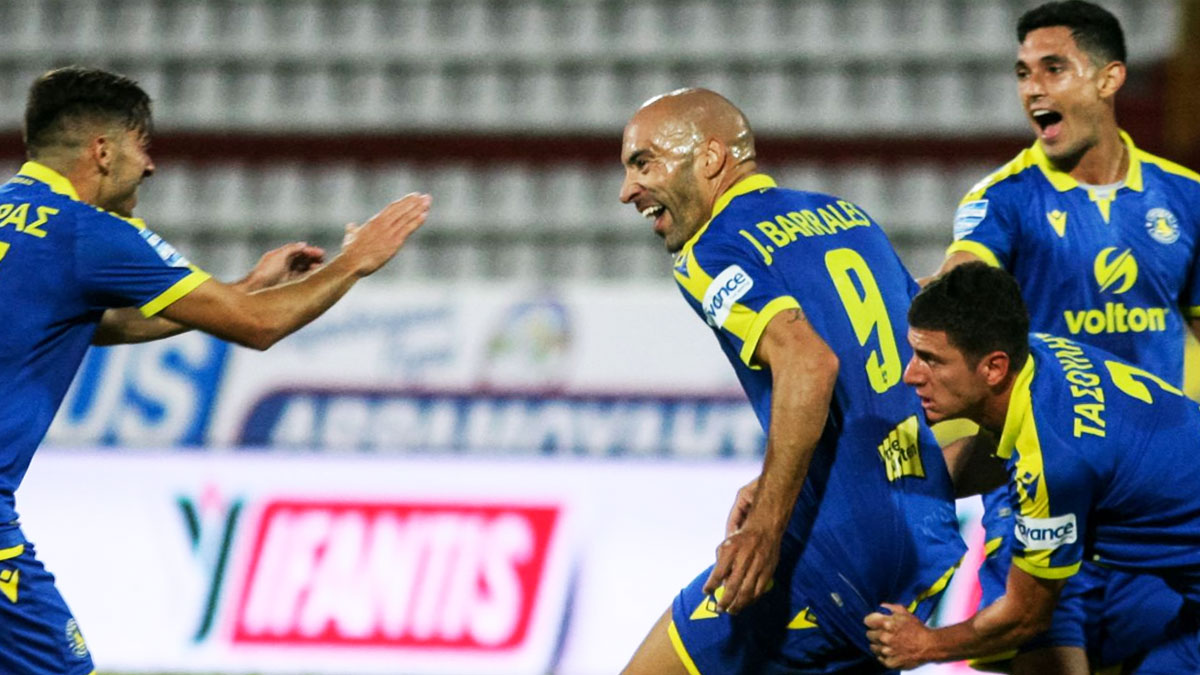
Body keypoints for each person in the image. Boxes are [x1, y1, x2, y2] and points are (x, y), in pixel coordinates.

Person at [0, 66, 430, 674]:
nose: (150, 165)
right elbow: (258, 327)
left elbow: (95, 323)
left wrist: (244, 286)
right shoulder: (87, 233)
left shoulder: (14, 218)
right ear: (102, 151)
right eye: (141, 145)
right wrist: (354, 262)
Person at [616, 87, 965, 674]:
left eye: (643, 163)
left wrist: (766, 529)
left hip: (832, 550)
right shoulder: (848, 217)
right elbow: (914, 351)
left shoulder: (710, 251)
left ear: (710, 157)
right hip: (923, 542)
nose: (627, 190)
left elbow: (810, 363)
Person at [931, 2, 1200, 671]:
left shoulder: (1186, 198)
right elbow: (964, 280)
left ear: (1110, 78)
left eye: (1054, 68)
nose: (1033, 88)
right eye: (1023, 72)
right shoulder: (1002, 200)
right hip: (1041, 492)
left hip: (1144, 504)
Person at [866, 262, 1200, 673]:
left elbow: (1026, 617)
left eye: (930, 360)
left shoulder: (1053, 465)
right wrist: (886, 490)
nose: (910, 375)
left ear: (994, 368)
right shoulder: (1036, 354)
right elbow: (994, 455)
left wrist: (924, 644)